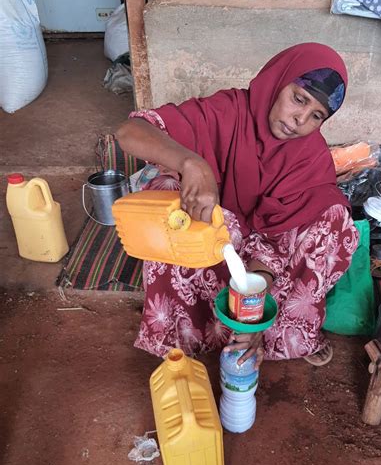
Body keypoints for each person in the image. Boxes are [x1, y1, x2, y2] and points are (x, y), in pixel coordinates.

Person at [116, 43, 359, 368]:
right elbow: (129, 131)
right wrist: (191, 163)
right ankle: (187, 332)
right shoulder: (226, 111)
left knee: (334, 220)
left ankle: (280, 333)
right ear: (278, 81)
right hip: (213, 238)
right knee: (167, 191)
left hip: (268, 255)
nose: (299, 119)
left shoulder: (309, 155)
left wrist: (255, 300)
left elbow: (275, 244)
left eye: (316, 115)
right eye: (298, 99)